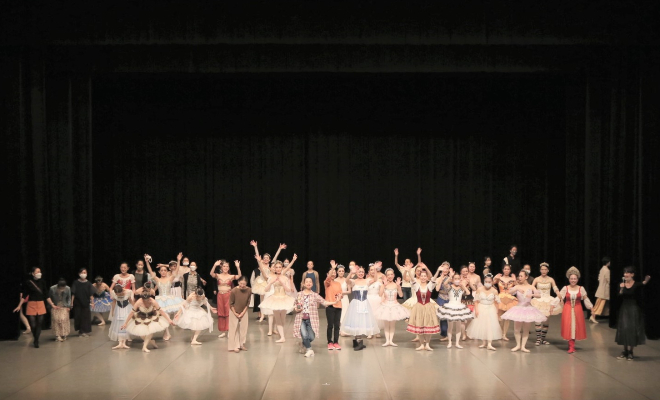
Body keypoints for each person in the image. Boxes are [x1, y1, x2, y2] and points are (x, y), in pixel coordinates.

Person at [293, 277, 342, 357]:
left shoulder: (315, 295)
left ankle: (304, 344)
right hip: (301, 319)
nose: (308, 283)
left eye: (310, 282)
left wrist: (335, 302)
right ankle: (309, 350)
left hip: (311, 320)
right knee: (304, 335)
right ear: (304, 284)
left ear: (312, 284)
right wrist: (296, 308)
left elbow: (324, 302)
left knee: (312, 337)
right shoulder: (299, 294)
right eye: (307, 282)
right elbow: (295, 304)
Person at [500, 270, 546, 352]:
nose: (519, 277)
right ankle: (518, 345)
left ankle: (523, 346)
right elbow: (509, 292)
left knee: (526, 330)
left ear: (526, 277)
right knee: (516, 329)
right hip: (519, 308)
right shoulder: (517, 286)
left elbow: (539, 295)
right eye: (519, 276)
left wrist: (532, 294)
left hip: (528, 309)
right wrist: (516, 289)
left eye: (521, 276)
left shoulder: (531, 287)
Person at [14, 267, 57, 348]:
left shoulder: (43, 282)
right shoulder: (28, 282)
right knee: (33, 324)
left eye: (40, 271)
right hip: (31, 304)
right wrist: (19, 305)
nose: (39, 273)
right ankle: (35, 337)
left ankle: (36, 340)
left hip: (40, 303)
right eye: (37, 272)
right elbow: (24, 295)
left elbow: (46, 295)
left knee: (39, 323)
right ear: (33, 273)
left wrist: (52, 304)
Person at [615, 266, 651, 361]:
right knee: (624, 328)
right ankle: (625, 350)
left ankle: (631, 351)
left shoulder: (636, 284)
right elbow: (619, 296)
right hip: (624, 308)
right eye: (625, 272)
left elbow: (644, 284)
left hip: (633, 309)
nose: (625, 274)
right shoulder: (621, 284)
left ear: (632, 274)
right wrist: (621, 289)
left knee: (632, 329)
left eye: (628, 273)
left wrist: (647, 279)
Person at [145, 255, 184, 341]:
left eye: (165, 270)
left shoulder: (170, 278)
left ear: (167, 271)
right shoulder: (157, 279)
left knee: (166, 316)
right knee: (163, 316)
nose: (163, 272)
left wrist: (178, 260)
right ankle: (167, 333)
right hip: (160, 300)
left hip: (169, 299)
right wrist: (147, 262)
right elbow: (150, 271)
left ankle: (167, 333)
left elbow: (176, 271)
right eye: (161, 270)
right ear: (159, 272)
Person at [343, 266, 380, 351]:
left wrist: (375, 269)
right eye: (359, 272)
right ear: (357, 273)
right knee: (356, 321)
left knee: (362, 321)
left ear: (364, 273)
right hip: (356, 304)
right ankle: (357, 341)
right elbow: (346, 280)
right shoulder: (353, 281)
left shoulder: (367, 281)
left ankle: (359, 342)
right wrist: (351, 272)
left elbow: (375, 279)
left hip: (364, 304)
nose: (361, 273)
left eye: (362, 272)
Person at [259, 259, 296, 342]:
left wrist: (282, 283)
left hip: (284, 298)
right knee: (277, 318)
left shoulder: (285, 278)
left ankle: (281, 333)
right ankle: (282, 337)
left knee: (282, 319)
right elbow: (266, 289)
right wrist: (270, 283)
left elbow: (288, 290)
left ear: (282, 268)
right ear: (274, 269)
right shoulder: (271, 277)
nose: (278, 269)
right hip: (275, 299)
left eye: (279, 267)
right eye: (277, 267)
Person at [407, 264, 441, 351]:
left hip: (428, 307)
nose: (423, 277)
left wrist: (437, 270)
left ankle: (427, 344)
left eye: (424, 276)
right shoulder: (417, 286)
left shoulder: (429, 286)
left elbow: (433, 278)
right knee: (419, 326)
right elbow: (412, 279)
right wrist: (409, 270)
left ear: (427, 277)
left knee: (428, 325)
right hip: (419, 308)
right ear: (419, 277)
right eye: (421, 276)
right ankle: (422, 344)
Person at [559, 267, 593, 353]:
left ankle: (572, 345)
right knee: (568, 326)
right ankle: (571, 345)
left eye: (575, 279)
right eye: (571, 279)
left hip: (577, 309)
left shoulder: (581, 288)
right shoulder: (565, 288)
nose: (573, 280)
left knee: (575, 326)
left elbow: (585, 298)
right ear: (569, 279)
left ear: (577, 279)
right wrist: (552, 305)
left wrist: (591, 307)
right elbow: (559, 297)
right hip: (567, 309)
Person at [437, 272, 474, 349]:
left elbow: (468, 292)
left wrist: (463, 285)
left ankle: (457, 343)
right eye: (455, 278)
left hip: (459, 307)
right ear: (453, 279)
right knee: (450, 326)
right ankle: (450, 342)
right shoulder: (450, 287)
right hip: (451, 306)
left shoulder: (461, 288)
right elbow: (444, 284)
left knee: (458, 326)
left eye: (458, 278)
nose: (457, 280)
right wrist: (449, 277)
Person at [374, 268, 409, 347]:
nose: (390, 276)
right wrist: (383, 285)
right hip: (385, 305)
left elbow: (401, 295)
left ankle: (391, 341)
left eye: (391, 274)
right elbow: (380, 294)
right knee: (386, 325)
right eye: (388, 275)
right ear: (386, 276)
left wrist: (399, 286)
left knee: (392, 325)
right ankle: (387, 341)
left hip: (394, 306)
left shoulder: (396, 285)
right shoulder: (384, 284)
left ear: (394, 275)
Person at [466, 274, 501, 350]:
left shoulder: (494, 291)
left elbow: (497, 303)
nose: (487, 283)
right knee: (482, 325)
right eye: (486, 281)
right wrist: (476, 310)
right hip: (481, 308)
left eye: (489, 282)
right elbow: (476, 301)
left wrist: (497, 312)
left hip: (491, 308)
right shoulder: (479, 289)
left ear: (492, 282)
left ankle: (489, 343)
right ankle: (484, 342)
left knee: (490, 326)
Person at [530, 262, 562, 345]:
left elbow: (555, 288)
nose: (543, 271)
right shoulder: (536, 279)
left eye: (545, 269)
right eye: (542, 269)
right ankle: (538, 339)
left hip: (548, 300)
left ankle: (543, 339)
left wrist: (559, 294)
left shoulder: (551, 279)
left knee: (546, 320)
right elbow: (531, 288)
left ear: (548, 270)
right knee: (537, 320)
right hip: (538, 300)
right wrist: (531, 294)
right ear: (540, 270)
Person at [211, 259, 242, 338]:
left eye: (227, 266)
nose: (225, 268)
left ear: (229, 268)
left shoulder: (230, 276)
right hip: (220, 296)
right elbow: (211, 274)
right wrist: (214, 265)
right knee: (221, 313)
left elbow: (239, 276)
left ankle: (229, 330)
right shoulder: (218, 275)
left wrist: (238, 267)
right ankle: (223, 331)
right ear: (221, 267)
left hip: (228, 295)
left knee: (228, 313)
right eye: (224, 266)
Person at [228, 276, 252, 352]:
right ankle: (235, 346)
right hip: (234, 311)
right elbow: (231, 303)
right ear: (238, 282)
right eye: (241, 283)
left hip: (243, 311)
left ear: (246, 283)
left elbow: (248, 303)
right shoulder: (234, 290)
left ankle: (241, 344)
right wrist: (235, 313)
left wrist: (243, 313)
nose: (242, 285)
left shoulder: (249, 290)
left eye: (244, 284)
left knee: (244, 328)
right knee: (234, 328)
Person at [494, 264, 518, 340]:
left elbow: (517, 286)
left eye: (508, 269)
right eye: (505, 269)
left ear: (510, 270)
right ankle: (500, 332)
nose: (506, 270)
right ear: (503, 270)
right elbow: (491, 283)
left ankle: (504, 334)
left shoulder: (512, 279)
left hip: (509, 298)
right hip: (500, 297)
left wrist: (514, 280)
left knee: (507, 317)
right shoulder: (499, 278)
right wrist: (495, 277)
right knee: (499, 317)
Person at [324, 264, 343, 350]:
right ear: (328, 274)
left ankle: (336, 342)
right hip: (330, 306)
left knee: (337, 325)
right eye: (332, 272)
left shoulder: (338, 283)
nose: (333, 274)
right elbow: (328, 279)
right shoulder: (327, 283)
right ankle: (329, 342)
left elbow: (340, 293)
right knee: (330, 325)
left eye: (335, 272)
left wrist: (339, 296)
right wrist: (333, 268)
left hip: (338, 305)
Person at [108, 285, 134, 349]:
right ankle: (120, 342)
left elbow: (131, 301)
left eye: (119, 294)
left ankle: (124, 342)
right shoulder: (114, 293)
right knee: (119, 325)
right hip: (119, 310)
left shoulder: (128, 292)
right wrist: (113, 311)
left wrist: (135, 308)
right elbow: (114, 302)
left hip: (126, 310)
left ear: (122, 291)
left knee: (125, 324)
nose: (118, 295)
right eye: (117, 294)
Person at [71, 268, 94, 338]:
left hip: (86, 303)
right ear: (79, 274)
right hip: (77, 303)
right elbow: (73, 294)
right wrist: (71, 302)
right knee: (79, 317)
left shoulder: (88, 283)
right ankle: (80, 331)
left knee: (85, 317)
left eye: (85, 272)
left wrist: (92, 302)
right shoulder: (76, 283)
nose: (83, 274)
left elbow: (91, 294)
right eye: (82, 272)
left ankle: (85, 331)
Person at [49, 278, 72, 342]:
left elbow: (69, 298)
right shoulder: (52, 288)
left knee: (63, 320)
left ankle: (64, 334)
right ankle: (57, 335)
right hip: (55, 306)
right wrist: (52, 305)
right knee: (56, 320)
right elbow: (49, 297)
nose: (62, 289)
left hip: (64, 306)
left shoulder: (68, 288)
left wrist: (69, 306)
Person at [591, 257, 611, 323]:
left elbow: (599, 278)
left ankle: (594, 316)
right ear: (608, 262)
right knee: (599, 304)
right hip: (604, 290)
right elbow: (609, 280)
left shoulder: (602, 269)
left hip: (601, 288)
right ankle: (593, 316)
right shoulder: (607, 270)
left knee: (600, 303)